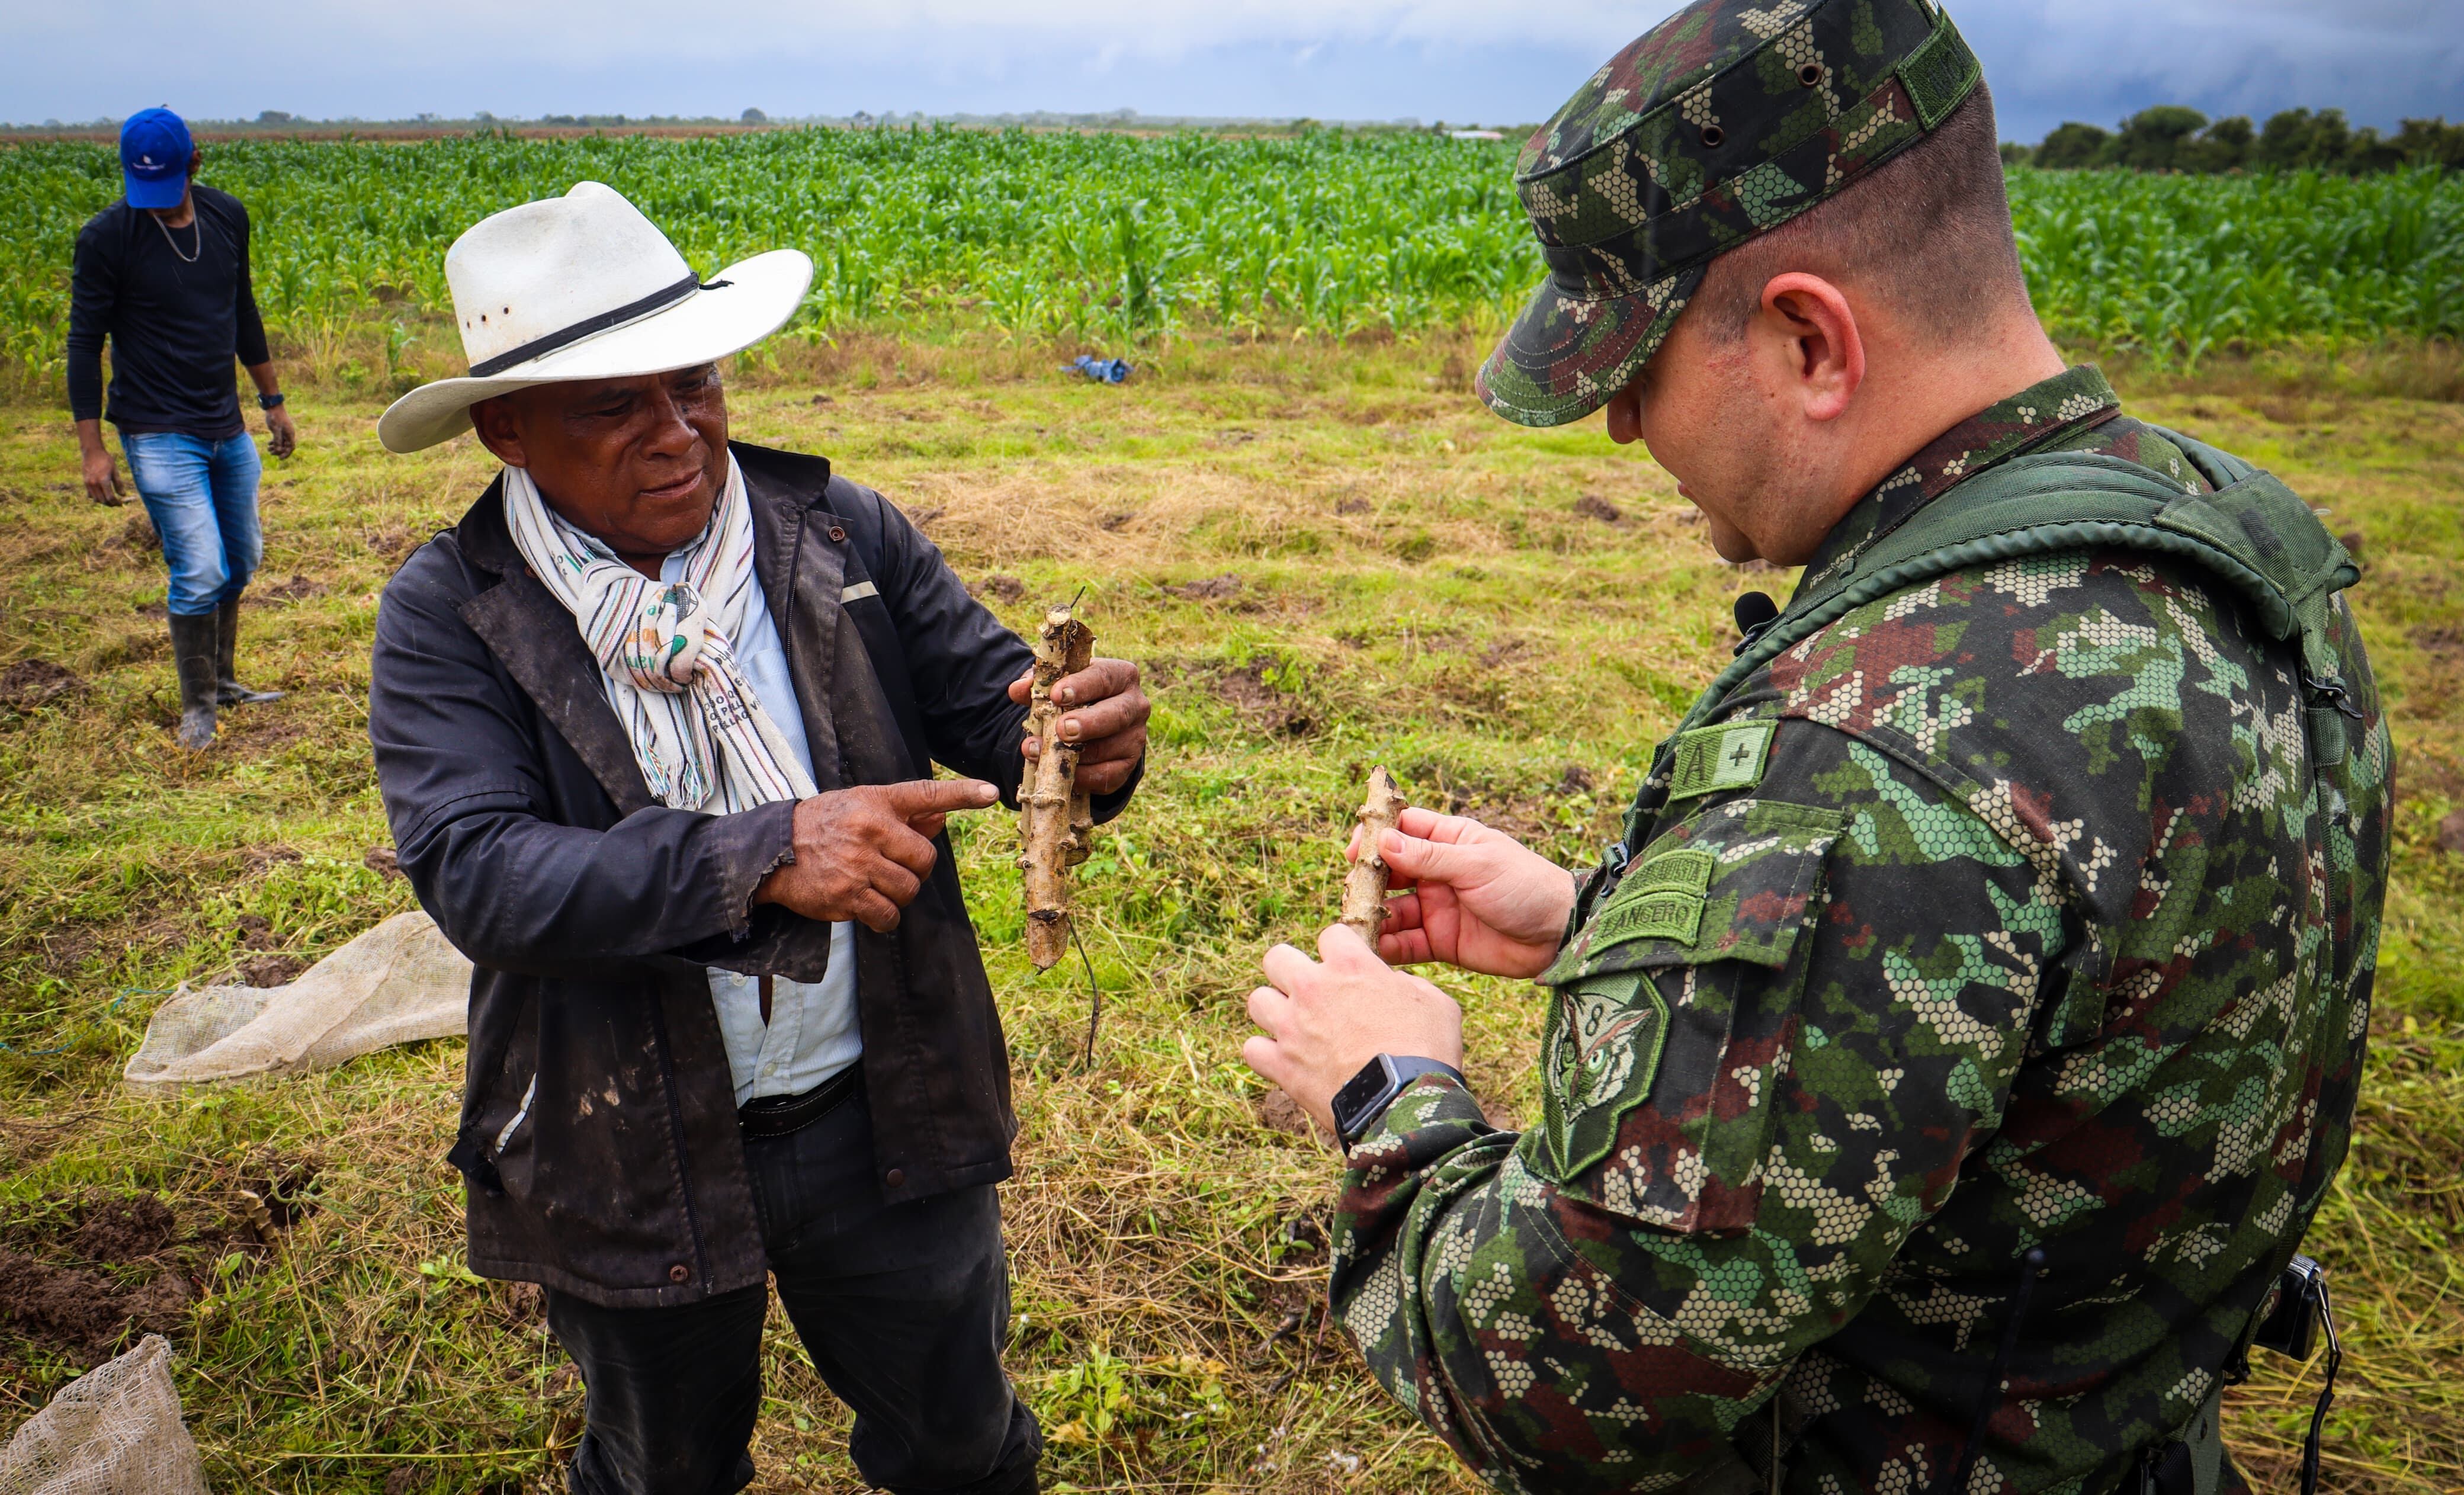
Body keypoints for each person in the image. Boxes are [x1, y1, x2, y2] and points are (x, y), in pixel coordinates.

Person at [1241, 3, 2391, 1492]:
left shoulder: (1875, 745)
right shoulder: (2222, 540)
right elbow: (2039, 1000)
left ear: (1809, 341)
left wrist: (1388, 1088)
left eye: (1636, 369)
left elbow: (1561, 1381)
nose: (1618, 429)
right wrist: (1601, 922)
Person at [368, 182, 1150, 1495]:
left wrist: (1084, 743)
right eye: (613, 405)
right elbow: (479, 872)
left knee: (959, 1441)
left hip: (880, 1095)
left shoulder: (835, 529)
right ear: (507, 428)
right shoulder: (456, 609)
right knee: (662, 1465)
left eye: (696, 383)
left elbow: (993, 709)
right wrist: (766, 851)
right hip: (627, 1132)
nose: (679, 432)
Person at [69, 107, 297, 750]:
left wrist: (273, 400)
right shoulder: (106, 238)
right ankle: (197, 710)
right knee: (199, 566)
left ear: (194, 161)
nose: (158, 201)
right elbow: (84, 345)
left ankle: (222, 681)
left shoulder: (226, 216)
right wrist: (93, 449)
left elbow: (242, 310)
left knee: (241, 560)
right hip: (155, 429)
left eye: (168, 185)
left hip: (225, 423)